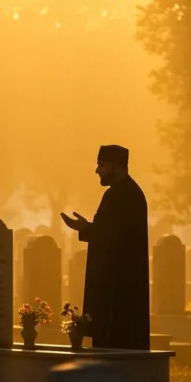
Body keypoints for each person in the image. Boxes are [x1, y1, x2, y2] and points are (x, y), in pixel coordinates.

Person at [61, 145, 150, 350]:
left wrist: (87, 229)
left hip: (119, 287)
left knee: (116, 340)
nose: (97, 170)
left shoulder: (124, 195)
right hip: (118, 283)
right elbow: (110, 233)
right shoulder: (123, 193)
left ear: (117, 166)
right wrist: (87, 229)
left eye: (102, 165)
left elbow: (115, 239)